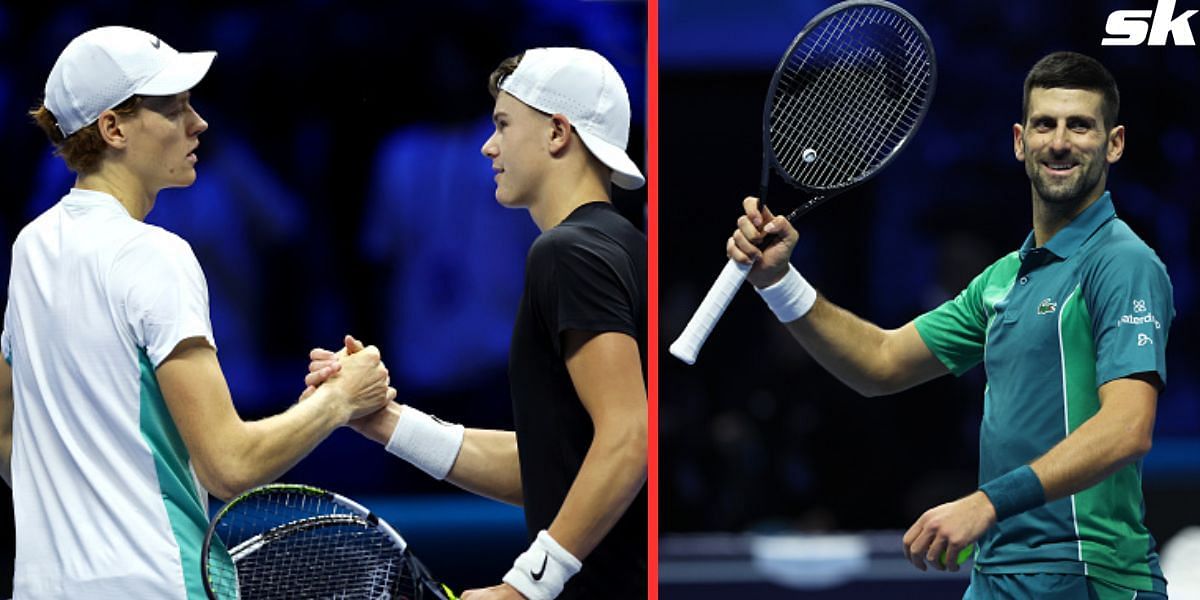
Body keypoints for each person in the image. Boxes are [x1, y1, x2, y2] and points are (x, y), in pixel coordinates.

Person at [727, 51, 1171, 599]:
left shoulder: (1121, 262)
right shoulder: (1002, 280)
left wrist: (987, 501)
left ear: (1114, 143)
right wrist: (779, 281)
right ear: (1019, 141)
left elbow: (1129, 426)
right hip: (997, 574)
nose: (1059, 141)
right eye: (1044, 124)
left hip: (1088, 574)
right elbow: (881, 363)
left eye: (1080, 125)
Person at [0, 26, 394, 598]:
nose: (198, 122)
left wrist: (72, 504)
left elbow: (6, 427)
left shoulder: (31, 246)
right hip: (159, 582)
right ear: (113, 128)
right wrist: (340, 400)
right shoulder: (156, 254)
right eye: (174, 107)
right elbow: (228, 466)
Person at [308, 48, 647, 600]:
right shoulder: (620, 245)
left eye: (503, 124)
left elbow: (629, 440)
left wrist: (524, 587)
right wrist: (388, 422)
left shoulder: (568, 253)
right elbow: (554, 469)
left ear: (558, 132)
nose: (489, 145)